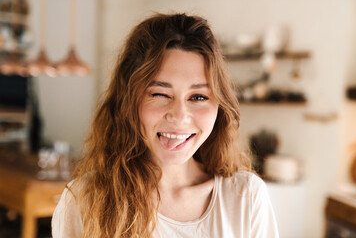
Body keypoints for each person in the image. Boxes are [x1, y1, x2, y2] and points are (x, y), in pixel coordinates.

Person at [51, 13, 279, 238]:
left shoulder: (246, 199)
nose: (180, 116)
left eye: (198, 97)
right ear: (129, 101)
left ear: (220, 105)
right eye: (160, 94)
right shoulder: (84, 200)